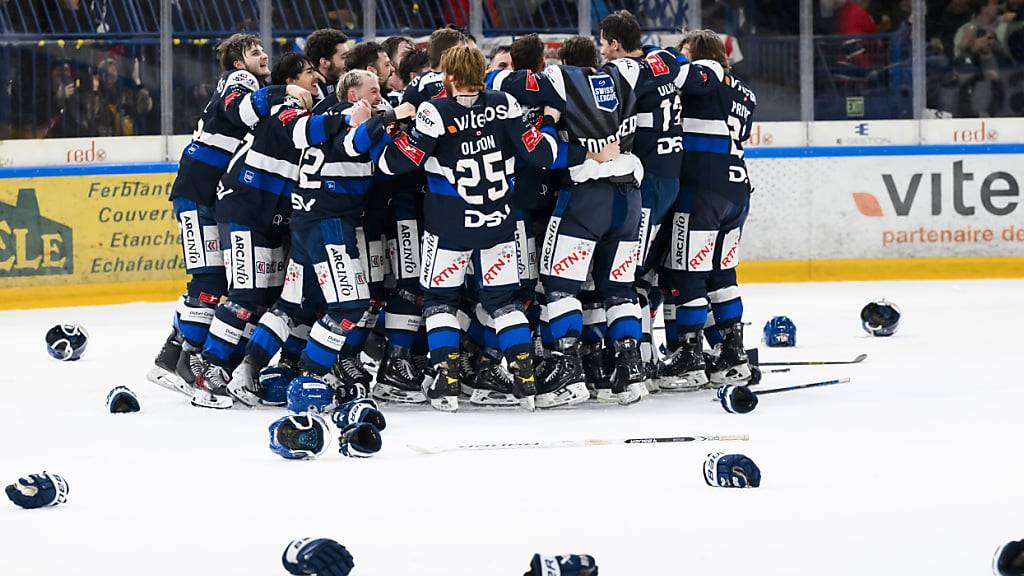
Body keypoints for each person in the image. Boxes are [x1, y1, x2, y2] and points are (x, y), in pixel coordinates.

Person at [377, 45, 561, 412]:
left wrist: (390, 131)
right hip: (498, 222)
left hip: (449, 226)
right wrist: (551, 122)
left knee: (440, 300)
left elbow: (395, 163)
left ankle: (446, 380)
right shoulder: (505, 102)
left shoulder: (434, 110)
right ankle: (524, 377)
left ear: (448, 75)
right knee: (505, 302)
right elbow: (544, 155)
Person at [230, 69, 408, 404]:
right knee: (350, 305)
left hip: (307, 220)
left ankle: (248, 368)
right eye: (372, 92)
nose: (378, 96)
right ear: (353, 95)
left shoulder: (324, 115)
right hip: (330, 225)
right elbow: (356, 144)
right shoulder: (349, 116)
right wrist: (390, 116)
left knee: (293, 305)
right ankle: (312, 374)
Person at [488, 34, 649, 406]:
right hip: (630, 195)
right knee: (620, 287)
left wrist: (547, 116)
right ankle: (630, 369)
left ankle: (567, 369)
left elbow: (503, 82)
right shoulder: (624, 72)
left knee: (560, 286)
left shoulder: (561, 79)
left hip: (587, 196)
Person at [149, 34, 309, 396]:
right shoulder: (241, 80)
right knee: (208, 280)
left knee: (216, 281)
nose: (264, 55)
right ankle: (183, 358)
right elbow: (239, 110)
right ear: (238, 63)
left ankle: (175, 356)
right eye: (255, 52)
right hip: (197, 190)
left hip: (206, 191)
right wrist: (283, 92)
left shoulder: (248, 81)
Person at [192, 53, 321, 408]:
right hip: (246, 211)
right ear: (292, 81)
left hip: (267, 216)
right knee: (246, 294)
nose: (318, 80)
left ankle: (233, 368)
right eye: (311, 74)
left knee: (260, 299)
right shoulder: (283, 109)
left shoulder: (296, 109)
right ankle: (208, 369)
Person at [373, 27, 467, 404]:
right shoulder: (430, 87)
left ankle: (416, 358)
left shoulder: (433, 87)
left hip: (432, 200)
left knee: (430, 285)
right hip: (412, 200)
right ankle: (396, 362)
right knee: (413, 283)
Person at [662, 30, 757, 389]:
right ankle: (733, 352)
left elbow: (682, 75)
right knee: (723, 275)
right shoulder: (745, 92)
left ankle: (689, 357)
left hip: (702, 192)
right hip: (737, 191)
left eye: (684, 52)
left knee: (689, 273)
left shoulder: (705, 74)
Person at [598, 10, 687, 394]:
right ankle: (646, 352)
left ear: (615, 44)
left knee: (627, 272)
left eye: (603, 44)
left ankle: (641, 358)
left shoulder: (625, 72)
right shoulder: (665, 59)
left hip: (647, 182)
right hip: (670, 179)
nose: (601, 51)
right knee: (645, 271)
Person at [305, 28, 350, 107]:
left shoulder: (345, 80)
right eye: (344, 57)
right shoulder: (310, 88)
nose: (349, 62)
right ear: (324, 62)